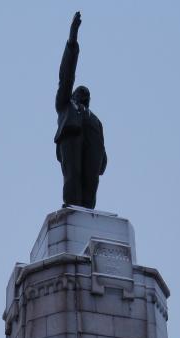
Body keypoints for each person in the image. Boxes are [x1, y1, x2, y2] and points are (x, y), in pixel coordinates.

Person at [54, 11, 107, 209]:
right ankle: (73, 210)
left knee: (90, 183)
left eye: (87, 93)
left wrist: (103, 159)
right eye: (79, 91)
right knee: (73, 178)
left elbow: (102, 143)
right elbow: (66, 75)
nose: (84, 92)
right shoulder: (66, 105)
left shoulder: (95, 119)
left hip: (93, 149)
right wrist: (72, 39)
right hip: (72, 139)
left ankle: (87, 214)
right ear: (73, 94)